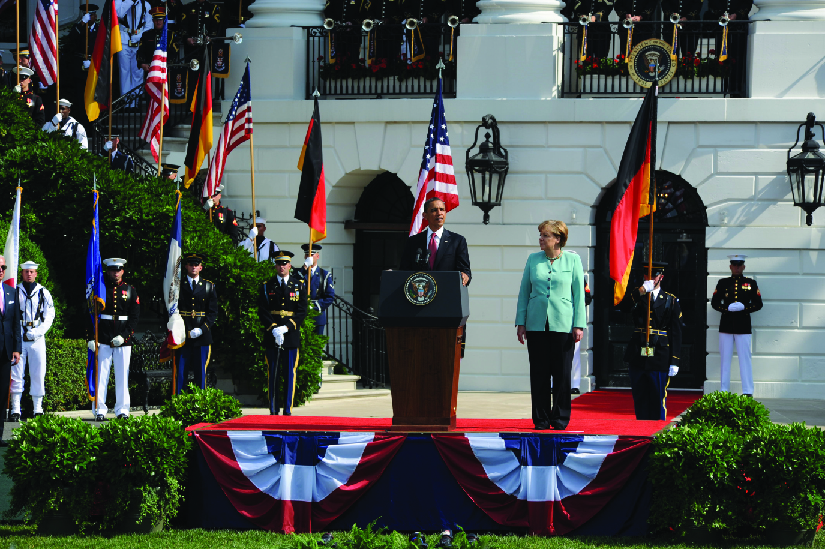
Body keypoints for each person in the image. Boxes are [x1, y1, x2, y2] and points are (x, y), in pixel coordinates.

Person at [515, 220, 585, 431]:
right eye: (541, 235)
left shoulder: (573, 260)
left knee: (562, 373)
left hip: (563, 325)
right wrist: (521, 322)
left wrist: (578, 324)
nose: (541, 239)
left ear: (558, 239)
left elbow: (579, 295)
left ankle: (560, 418)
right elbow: (524, 293)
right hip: (536, 324)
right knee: (539, 373)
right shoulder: (533, 260)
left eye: (545, 235)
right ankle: (541, 419)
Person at [400, 197, 472, 355]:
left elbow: (465, 271)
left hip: (446, 308)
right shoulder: (413, 242)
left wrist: (465, 276)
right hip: (419, 309)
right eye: (434, 210)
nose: (439, 213)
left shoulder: (457, 241)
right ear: (425, 215)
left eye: (442, 209)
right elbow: (404, 272)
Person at [620, 261, 682, 420]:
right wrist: (640, 291)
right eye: (647, 275)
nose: (650, 278)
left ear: (661, 277)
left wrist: (675, 360)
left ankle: (656, 431)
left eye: (654, 275)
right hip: (638, 352)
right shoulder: (637, 295)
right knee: (640, 396)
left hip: (660, 354)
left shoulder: (671, 300)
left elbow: (675, 332)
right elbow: (623, 307)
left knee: (657, 395)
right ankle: (641, 430)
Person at [87, 258, 140, 420]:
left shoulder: (130, 290)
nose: (115, 273)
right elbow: (90, 313)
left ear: (123, 271)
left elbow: (134, 317)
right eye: (112, 270)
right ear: (108, 271)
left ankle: (122, 410)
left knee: (122, 375)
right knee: (101, 375)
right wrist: (91, 337)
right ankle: (100, 410)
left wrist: (124, 337)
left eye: (118, 270)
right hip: (103, 337)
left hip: (123, 340)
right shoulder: (100, 290)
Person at [258, 251, 307, 415]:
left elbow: (301, 311)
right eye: (279, 263)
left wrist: (286, 328)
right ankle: (273, 409)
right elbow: (263, 311)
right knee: (273, 373)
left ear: (290, 266)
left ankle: (287, 409)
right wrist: (273, 329)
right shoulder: (267, 285)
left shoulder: (298, 285)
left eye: (285, 264)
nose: (282, 266)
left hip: (291, 336)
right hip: (272, 336)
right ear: (275, 266)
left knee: (289, 374)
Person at [711, 254, 763, 397]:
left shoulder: (750, 283)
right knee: (725, 359)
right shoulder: (723, 283)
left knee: (745, 359)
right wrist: (726, 308)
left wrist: (744, 308)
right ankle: (724, 391)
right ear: (730, 266)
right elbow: (715, 303)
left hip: (743, 325)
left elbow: (758, 304)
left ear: (744, 267)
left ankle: (747, 391)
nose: (737, 267)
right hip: (726, 325)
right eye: (734, 265)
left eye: (739, 265)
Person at [11, 261, 55, 421]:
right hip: (19, 336)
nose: (29, 274)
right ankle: (16, 409)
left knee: (38, 373)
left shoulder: (43, 292)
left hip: (37, 337)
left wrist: (37, 332)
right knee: (16, 374)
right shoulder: (15, 291)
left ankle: (38, 408)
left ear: (36, 273)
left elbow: (50, 316)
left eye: (32, 272)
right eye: (26, 271)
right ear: (21, 273)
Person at [175, 253, 218, 393]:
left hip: (202, 336)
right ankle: (179, 403)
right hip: (183, 334)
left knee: (201, 372)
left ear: (201, 267)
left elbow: (212, 313)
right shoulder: (178, 285)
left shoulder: (208, 286)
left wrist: (202, 329)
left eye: (196, 265)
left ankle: (200, 403)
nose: (193, 267)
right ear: (186, 266)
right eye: (191, 264)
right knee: (181, 373)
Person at [0, 256, 22, 445]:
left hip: (5, 352)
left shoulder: (10, 292)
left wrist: (17, 348)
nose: (1, 270)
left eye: (3, 267)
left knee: (1, 395)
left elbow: (16, 323)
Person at [115, 0, 153, 99]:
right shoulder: (120, 1)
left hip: (139, 41)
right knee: (125, 71)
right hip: (124, 40)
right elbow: (118, 13)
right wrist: (129, 1)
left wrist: (140, 36)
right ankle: (126, 100)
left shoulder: (145, 4)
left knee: (137, 71)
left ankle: (136, 100)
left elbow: (149, 25)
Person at [299, 243, 335, 335]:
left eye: (311, 254)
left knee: (316, 347)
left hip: (317, 317)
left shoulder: (325, 274)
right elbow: (293, 283)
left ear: (317, 256)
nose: (308, 257)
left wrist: (314, 306)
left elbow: (330, 297)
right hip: (301, 316)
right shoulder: (299, 273)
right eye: (307, 254)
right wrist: (304, 267)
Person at [570, 274, 592, 394]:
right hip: (557, 319)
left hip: (573, 319)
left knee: (574, 353)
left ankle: (574, 384)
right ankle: (553, 383)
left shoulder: (578, 275)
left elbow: (588, 298)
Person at [137, 6, 169, 72]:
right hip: (150, 69)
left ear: (164, 20)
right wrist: (142, 64)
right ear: (153, 20)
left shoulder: (170, 35)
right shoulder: (146, 35)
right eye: (156, 20)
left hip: (166, 69)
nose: (158, 22)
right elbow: (141, 51)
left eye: (160, 19)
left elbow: (173, 52)